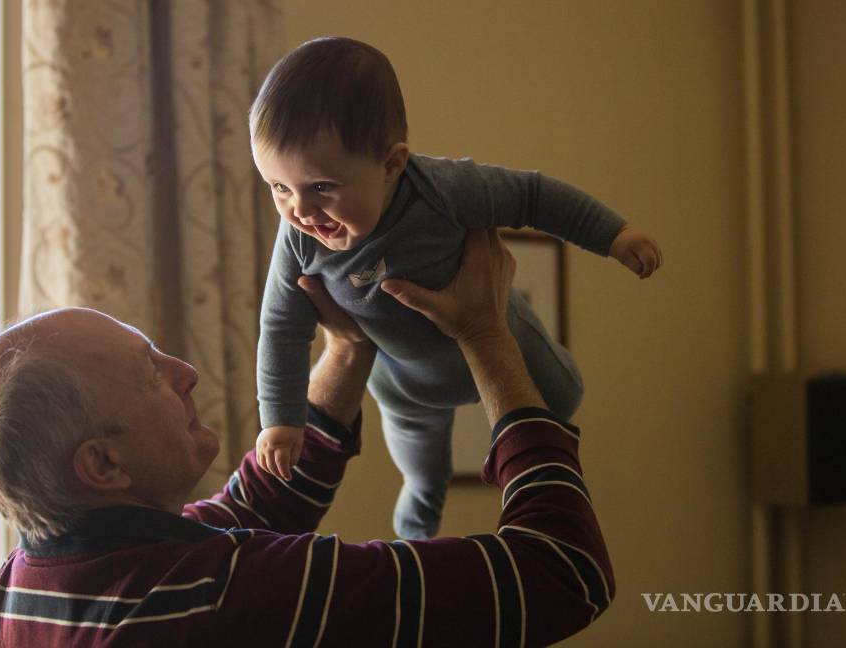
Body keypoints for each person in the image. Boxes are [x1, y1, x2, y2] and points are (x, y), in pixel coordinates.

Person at [0, 230, 615, 647]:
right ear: (103, 464)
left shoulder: (23, 587)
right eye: (150, 374)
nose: (185, 373)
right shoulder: (222, 596)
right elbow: (562, 572)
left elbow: (251, 509)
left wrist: (347, 348)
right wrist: (486, 336)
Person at [251, 36, 663, 539]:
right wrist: (281, 419)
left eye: (321, 187)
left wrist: (615, 236)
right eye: (278, 187)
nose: (299, 210)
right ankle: (418, 523)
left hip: (503, 335)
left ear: (391, 164)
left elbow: (534, 196)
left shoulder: (443, 189)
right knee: (422, 471)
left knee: (563, 397)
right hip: (404, 383)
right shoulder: (298, 239)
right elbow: (281, 328)